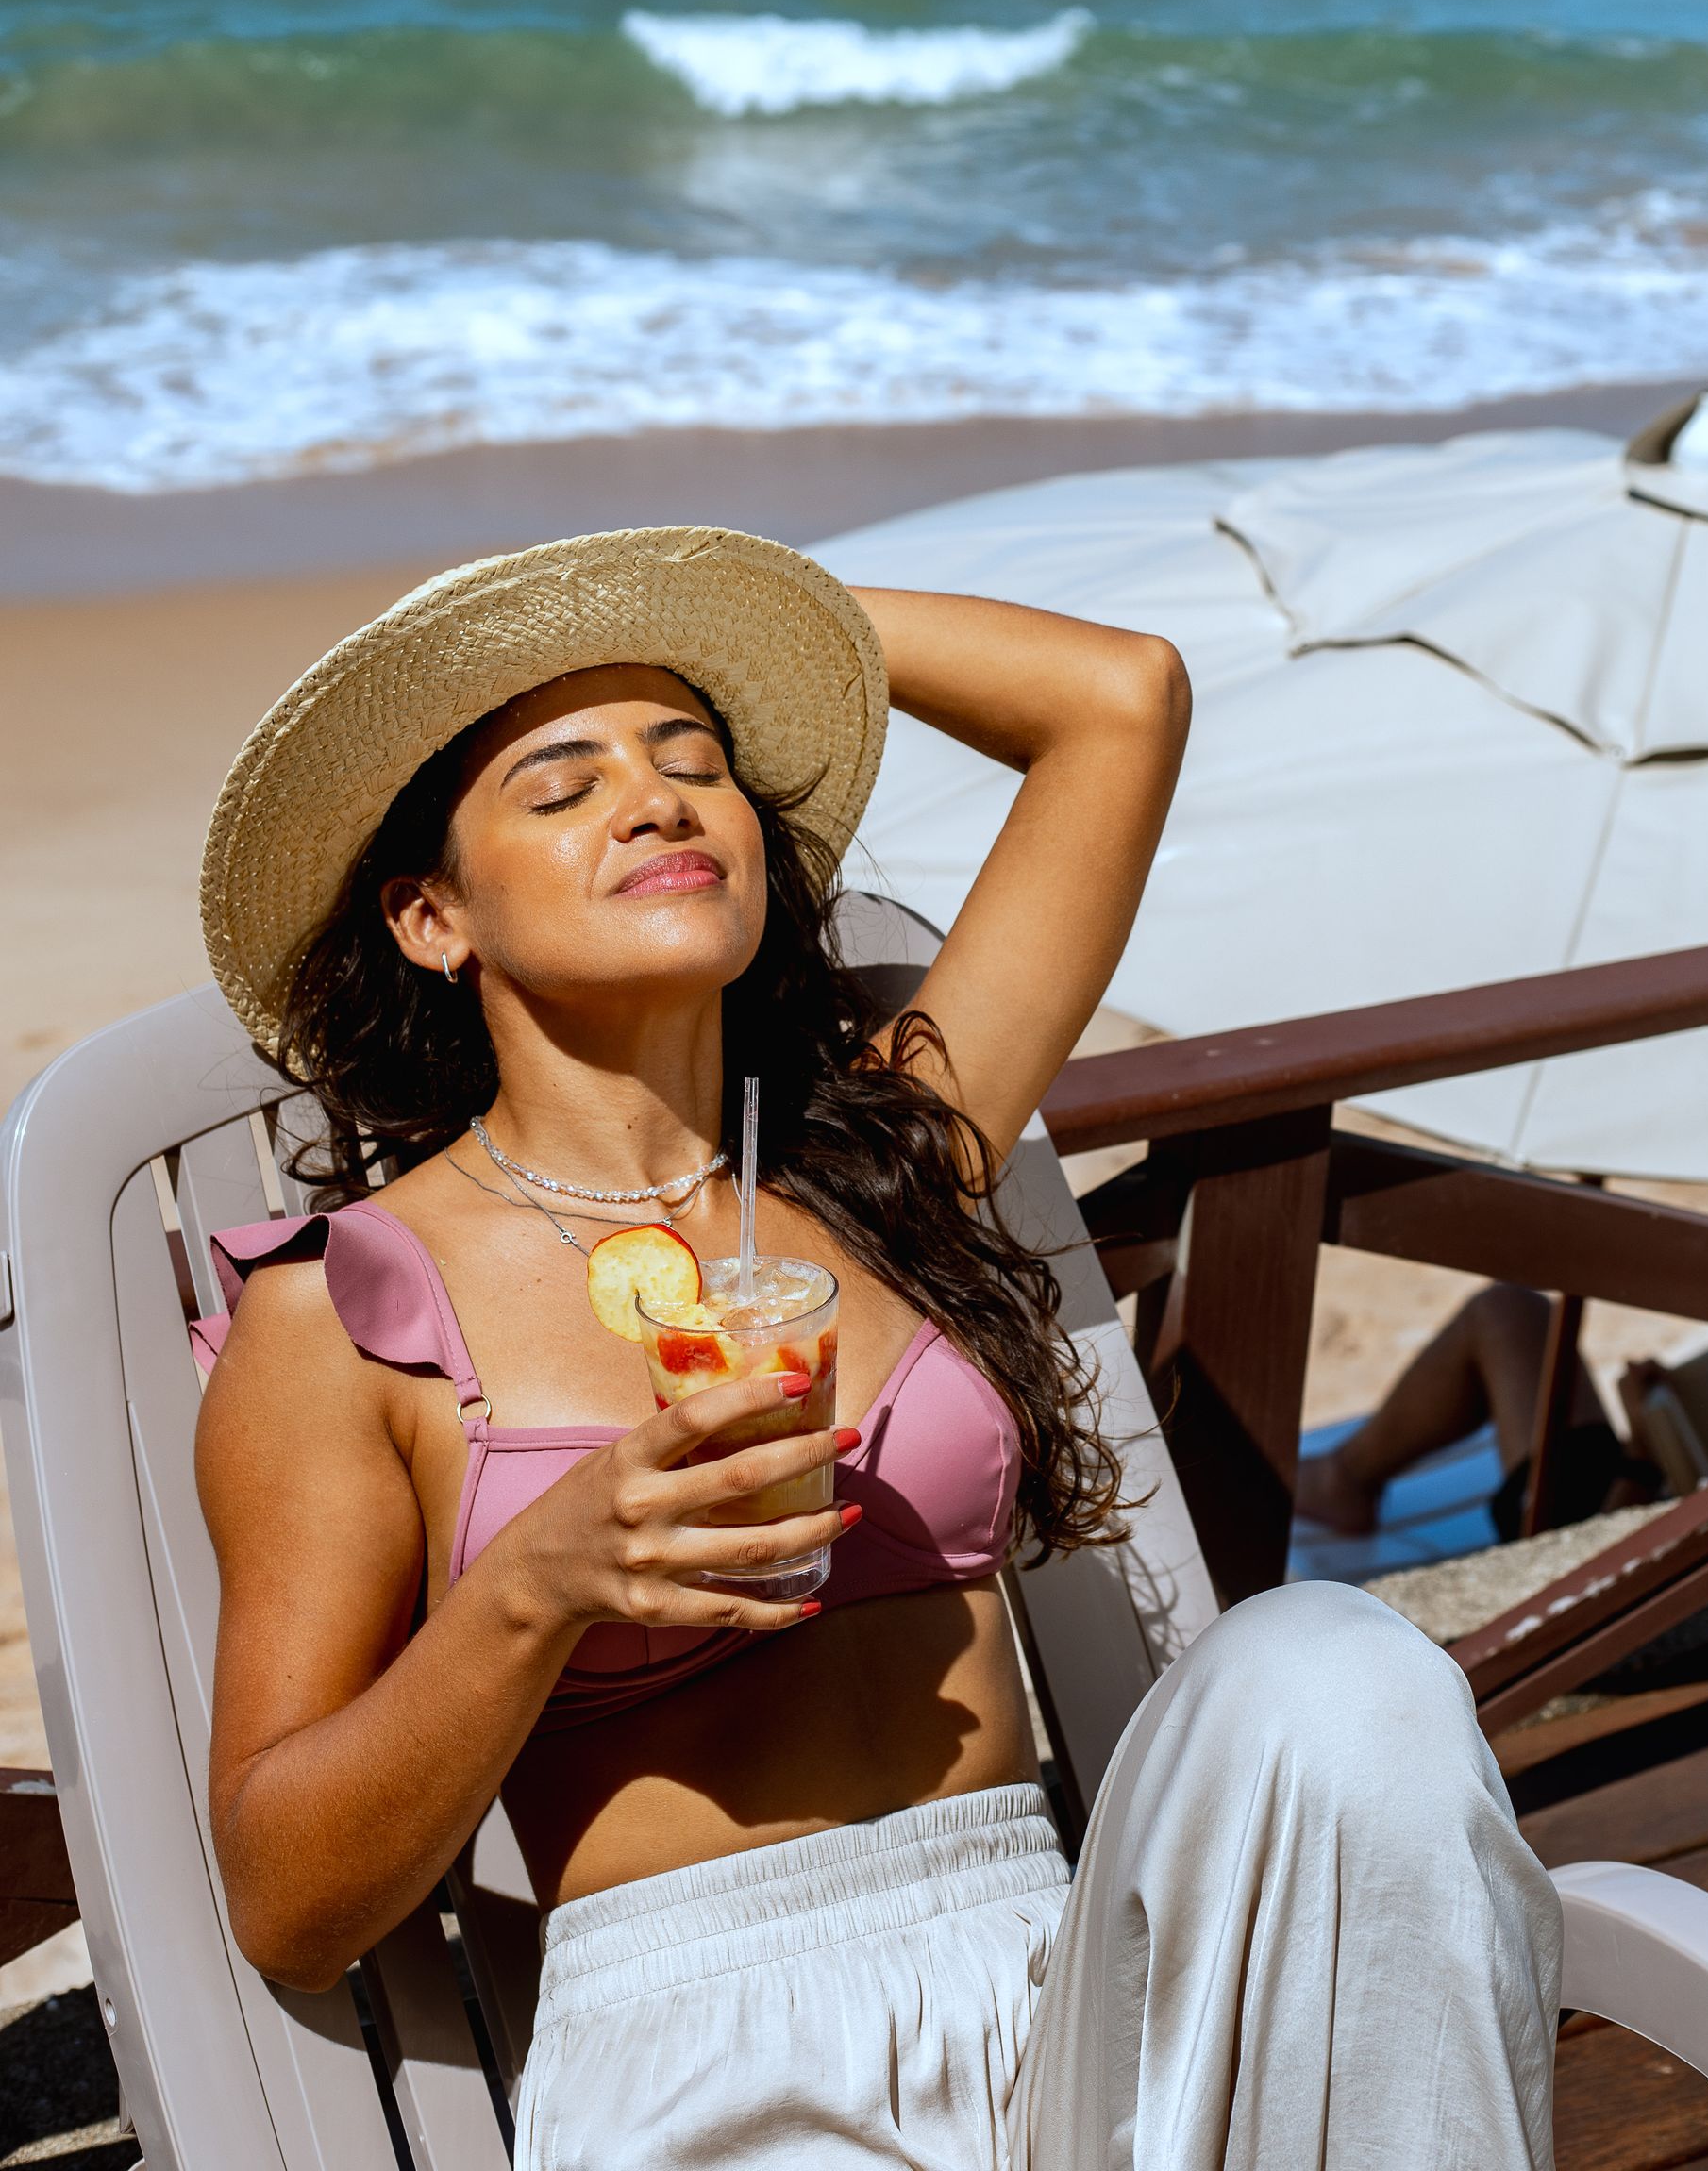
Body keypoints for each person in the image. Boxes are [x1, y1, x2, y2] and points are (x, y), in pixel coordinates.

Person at [193, 526, 1561, 2171]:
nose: (656, 800)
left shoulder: (887, 1162)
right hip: (713, 2067)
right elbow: (286, 1895)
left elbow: (1118, 702)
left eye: (695, 764)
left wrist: (732, 602)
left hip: (1066, 1985)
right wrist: (537, 1586)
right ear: (433, 917)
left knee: (1338, 1675)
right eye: (564, 789)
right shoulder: (347, 1309)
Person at [1296, 1283, 1662, 1545]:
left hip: (1598, 1530)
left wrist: (1645, 1454)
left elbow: (1596, 1563)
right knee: (1511, 1311)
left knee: (1500, 1315)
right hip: (1662, 1485)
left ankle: (1343, 1477)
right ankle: (1345, 1476)